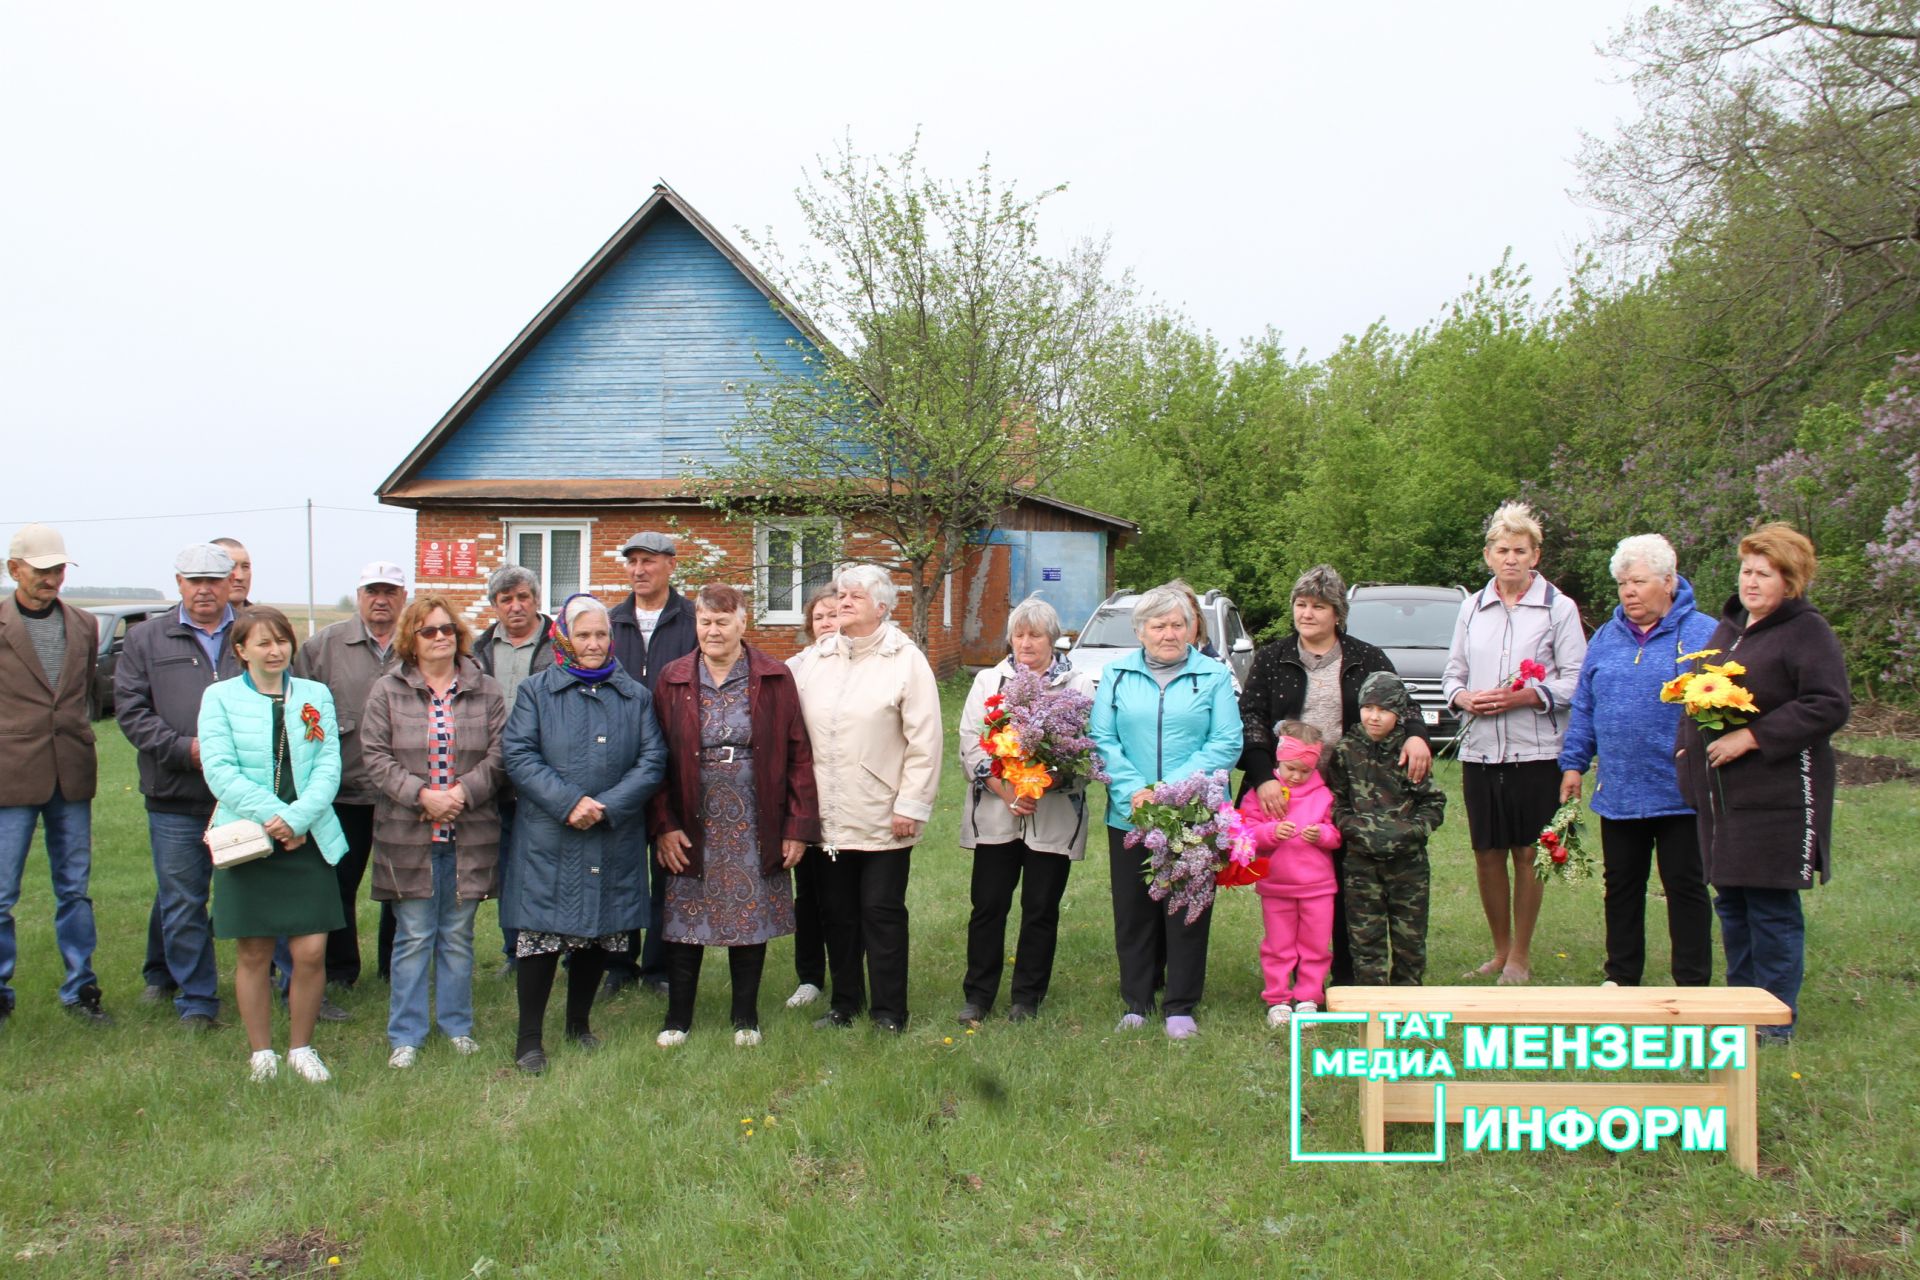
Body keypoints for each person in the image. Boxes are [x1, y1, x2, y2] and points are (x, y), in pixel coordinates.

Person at [1674, 523, 1850, 1042]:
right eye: (1746, 571)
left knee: (1770, 907)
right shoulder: (1730, 627)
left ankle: (1773, 1021)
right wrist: (1686, 751)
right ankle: (1739, 1010)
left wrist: (1753, 737)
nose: (1750, 582)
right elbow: (1696, 689)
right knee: (1731, 903)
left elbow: (1828, 703)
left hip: (1777, 796)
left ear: (1790, 581)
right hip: (1723, 798)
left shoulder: (1806, 632)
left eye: (1764, 574)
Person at [1237, 564, 1433, 988]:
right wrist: (1262, 777)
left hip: (1352, 791)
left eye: (1319, 607)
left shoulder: (1367, 657)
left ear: (1338, 614)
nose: (1307, 614)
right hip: (1287, 790)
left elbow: (1404, 704)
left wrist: (1416, 737)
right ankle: (1290, 979)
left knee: (1348, 886)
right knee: (1292, 883)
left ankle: (1347, 977)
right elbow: (1250, 718)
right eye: (1301, 604)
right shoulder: (1272, 657)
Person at [501, 594, 667, 1073]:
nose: (593, 644)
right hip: (551, 835)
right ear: (564, 638)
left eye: (601, 635)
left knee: (598, 931)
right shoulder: (536, 691)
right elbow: (519, 755)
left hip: (611, 833)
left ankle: (579, 1023)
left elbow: (652, 759)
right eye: (584, 635)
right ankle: (528, 1039)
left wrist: (608, 806)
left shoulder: (634, 695)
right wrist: (568, 802)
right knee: (541, 937)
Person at [648, 585, 818, 1047]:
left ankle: (745, 1018)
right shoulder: (672, 678)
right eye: (705, 621)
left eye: (723, 621)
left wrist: (797, 828)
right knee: (685, 915)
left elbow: (799, 756)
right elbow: (654, 756)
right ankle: (677, 1019)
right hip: (691, 816)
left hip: (755, 817)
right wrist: (664, 824)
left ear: (744, 624)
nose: (713, 630)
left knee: (751, 914)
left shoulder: (775, 676)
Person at [1558, 534, 1718, 988]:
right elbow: (1586, 705)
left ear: (1668, 582)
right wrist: (1573, 763)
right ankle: (1622, 976)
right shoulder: (1606, 637)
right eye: (1622, 583)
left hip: (1681, 791)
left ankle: (1692, 982)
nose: (1628, 591)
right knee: (1621, 886)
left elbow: (1727, 705)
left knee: (1686, 887)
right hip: (1621, 789)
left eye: (1639, 582)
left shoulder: (1703, 634)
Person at [197, 607, 347, 1082]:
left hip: (307, 838)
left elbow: (329, 765)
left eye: (281, 640)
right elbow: (219, 768)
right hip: (251, 839)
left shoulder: (314, 694)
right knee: (254, 952)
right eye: (262, 642)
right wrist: (273, 817)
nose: (275, 649)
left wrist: (299, 817)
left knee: (310, 952)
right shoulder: (218, 698)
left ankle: (302, 1047)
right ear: (241, 650)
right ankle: (261, 1052)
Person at [792, 564, 942, 1033]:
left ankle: (889, 1012)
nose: (844, 600)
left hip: (883, 814)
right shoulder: (816, 658)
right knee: (836, 915)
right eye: (841, 594)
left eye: (857, 594)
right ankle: (844, 1004)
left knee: (881, 913)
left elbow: (926, 740)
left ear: (883, 606)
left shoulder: (905, 660)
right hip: (828, 814)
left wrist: (910, 805)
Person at [1442, 502, 1587, 985]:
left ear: (1535, 554)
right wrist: (1463, 697)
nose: (1510, 559)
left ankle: (1522, 955)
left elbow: (1575, 680)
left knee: (1527, 852)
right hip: (1481, 750)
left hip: (1536, 752)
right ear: (1488, 556)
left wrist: (1527, 696)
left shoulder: (1558, 609)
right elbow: (1452, 674)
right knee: (1487, 852)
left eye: (1520, 551)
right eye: (1502, 550)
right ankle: (1500, 950)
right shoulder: (1471, 607)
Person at [1088, 584, 1242, 1040]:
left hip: (1193, 814)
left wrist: (1170, 792)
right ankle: (1137, 1001)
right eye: (1159, 625)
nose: (1169, 634)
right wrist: (1137, 792)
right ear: (1141, 631)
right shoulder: (1116, 674)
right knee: (1134, 910)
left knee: (1189, 908)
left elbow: (1225, 742)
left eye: (1178, 624)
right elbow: (1102, 739)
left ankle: (1180, 1004)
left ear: (1193, 629)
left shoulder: (1212, 676)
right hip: (1131, 814)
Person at [360, 596, 507, 1068]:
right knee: (415, 934)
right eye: (429, 631)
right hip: (409, 832)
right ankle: (406, 1035)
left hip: (470, 831)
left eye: (447, 629)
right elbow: (375, 757)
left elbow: (503, 754)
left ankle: (457, 1025)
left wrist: (461, 794)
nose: (440, 637)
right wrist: (423, 796)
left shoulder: (486, 690)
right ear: (412, 640)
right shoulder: (387, 691)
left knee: (459, 934)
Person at [955, 597, 1097, 1025]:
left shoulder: (1078, 685)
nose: (1025, 643)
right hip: (998, 814)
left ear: (1053, 639)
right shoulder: (989, 682)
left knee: (1040, 908)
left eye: (1035, 635)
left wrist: (1039, 785)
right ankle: (978, 996)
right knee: (988, 905)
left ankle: (1027, 998)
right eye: (1019, 634)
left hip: (1052, 815)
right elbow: (970, 744)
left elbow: (1087, 751)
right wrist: (1007, 790)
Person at [117, 543, 241, 1028]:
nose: (204, 589)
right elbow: (131, 710)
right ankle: (196, 999)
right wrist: (186, 750)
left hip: (240, 795)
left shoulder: (252, 631)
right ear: (179, 583)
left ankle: (281, 980)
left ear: (231, 582)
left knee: (253, 891)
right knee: (184, 900)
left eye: (213, 580)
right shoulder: (147, 638)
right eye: (194, 580)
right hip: (174, 796)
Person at [0, 523, 108, 1027]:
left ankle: (80, 987)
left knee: (75, 889)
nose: (51, 579)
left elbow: (80, 692)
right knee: (2, 892)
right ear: (14, 570)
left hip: (72, 771)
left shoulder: (85, 624)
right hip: (10, 775)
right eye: (42, 570)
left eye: (58, 569)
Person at [292, 561, 406, 1001]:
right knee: (339, 882)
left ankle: (397, 965)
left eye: (390, 591)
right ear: (359, 596)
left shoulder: (418, 639)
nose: (381, 600)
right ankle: (340, 968)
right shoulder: (325, 645)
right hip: (343, 790)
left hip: (402, 790)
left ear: (402, 596)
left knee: (402, 884)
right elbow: (300, 706)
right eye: (372, 591)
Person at [603, 531, 698, 997]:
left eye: (649, 561)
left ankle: (660, 967)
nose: (639, 570)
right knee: (620, 867)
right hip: (619, 765)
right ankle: (618, 963)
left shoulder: (693, 620)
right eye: (632, 561)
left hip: (678, 763)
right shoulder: (610, 622)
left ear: (670, 566)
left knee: (669, 865)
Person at [1323, 673, 1448, 986]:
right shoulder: (1346, 750)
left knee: (1410, 938)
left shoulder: (1409, 752)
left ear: (1399, 713)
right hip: (1360, 864)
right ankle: (1372, 1002)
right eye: (1368, 708)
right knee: (1365, 938)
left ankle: (1408, 1000)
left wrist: (1409, 832)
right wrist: (1355, 830)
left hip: (1409, 866)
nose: (1374, 716)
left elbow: (1433, 803)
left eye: (1384, 710)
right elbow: (1335, 802)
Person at [471, 563, 552, 973]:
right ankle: (515, 951)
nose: (516, 606)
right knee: (508, 865)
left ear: (536, 600)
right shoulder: (477, 651)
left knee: (551, 863)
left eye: (523, 597)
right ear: (495, 606)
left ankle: (564, 946)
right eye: (506, 600)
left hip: (548, 773)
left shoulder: (560, 645)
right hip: (497, 777)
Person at [1234, 722, 1341, 1026]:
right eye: (1290, 768)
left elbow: (1336, 833)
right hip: (1276, 886)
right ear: (1278, 760)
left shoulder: (1324, 795)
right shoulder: (1261, 795)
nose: (1296, 776)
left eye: (1304, 771)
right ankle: (1278, 998)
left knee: (1316, 946)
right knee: (1278, 945)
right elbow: (1247, 834)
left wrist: (1321, 834)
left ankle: (1308, 996)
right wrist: (1270, 832)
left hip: (1318, 887)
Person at [782, 585, 839, 1009]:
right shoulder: (793, 669)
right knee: (809, 893)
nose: (827, 624)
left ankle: (847, 970)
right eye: (820, 617)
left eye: (835, 615)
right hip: (805, 794)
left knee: (843, 894)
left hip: (848, 798)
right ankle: (809, 977)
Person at [212, 537, 253, 608]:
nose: (240, 577)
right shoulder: (188, 618)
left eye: (245, 567)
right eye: (231, 567)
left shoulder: (265, 618)